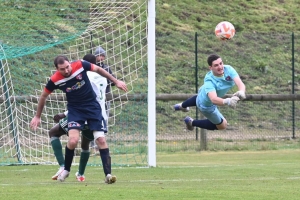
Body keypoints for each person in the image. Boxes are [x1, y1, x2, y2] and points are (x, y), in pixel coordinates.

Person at [30, 54, 128, 183]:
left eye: (67, 67)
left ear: (70, 63)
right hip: (75, 110)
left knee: (101, 140)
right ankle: (66, 170)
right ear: (57, 69)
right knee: (73, 141)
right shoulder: (54, 80)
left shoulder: (80, 65)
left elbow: (98, 69)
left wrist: (116, 81)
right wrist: (37, 116)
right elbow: (43, 96)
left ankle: (108, 175)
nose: (66, 71)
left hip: (93, 108)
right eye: (62, 69)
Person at [49, 54, 115, 184]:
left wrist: (64, 114)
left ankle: (64, 167)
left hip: (83, 112)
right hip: (98, 113)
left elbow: (85, 97)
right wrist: (116, 81)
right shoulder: (102, 78)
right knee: (88, 143)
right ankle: (81, 173)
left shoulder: (85, 75)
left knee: (55, 132)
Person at [174, 54, 246, 131]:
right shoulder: (209, 80)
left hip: (203, 92)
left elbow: (240, 83)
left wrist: (241, 91)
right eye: (216, 65)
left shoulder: (228, 69)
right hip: (206, 106)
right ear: (210, 68)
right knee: (222, 125)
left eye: (221, 63)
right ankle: (191, 122)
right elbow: (214, 99)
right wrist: (228, 101)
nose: (220, 67)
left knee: (200, 97)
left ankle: (182, 106)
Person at [94, 46, 115, 118]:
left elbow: (113, 82)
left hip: (105, 95)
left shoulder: (106, 68)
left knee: (104, 115)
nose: (101, 58)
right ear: (95, 56)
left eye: (103, 56)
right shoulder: (91, 67)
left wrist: (107, 80)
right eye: (99, 55)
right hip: (94, 96)